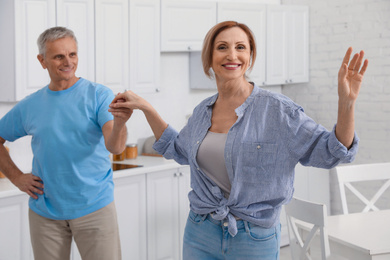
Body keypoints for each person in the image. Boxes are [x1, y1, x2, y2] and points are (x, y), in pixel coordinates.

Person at [109, 21, 368, 259]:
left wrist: (347, 104)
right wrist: (148, 109)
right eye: (222, 47)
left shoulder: (277, 110)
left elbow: (332, 152)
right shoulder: (202, 112)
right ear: (210, 59)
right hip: (200, 232)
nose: (232, 55)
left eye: (240, 47)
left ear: (250, 57)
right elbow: (178, 149)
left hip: (254, 238)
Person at [0, 27, 129, 260]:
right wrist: (17, 177)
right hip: (45, 213)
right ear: (42, 61)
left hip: (94, 208)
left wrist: (119, 123)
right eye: (59, 56)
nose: (67, 61)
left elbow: (115, 147)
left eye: (72, 54)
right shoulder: (30, 105)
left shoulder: (98, 95)